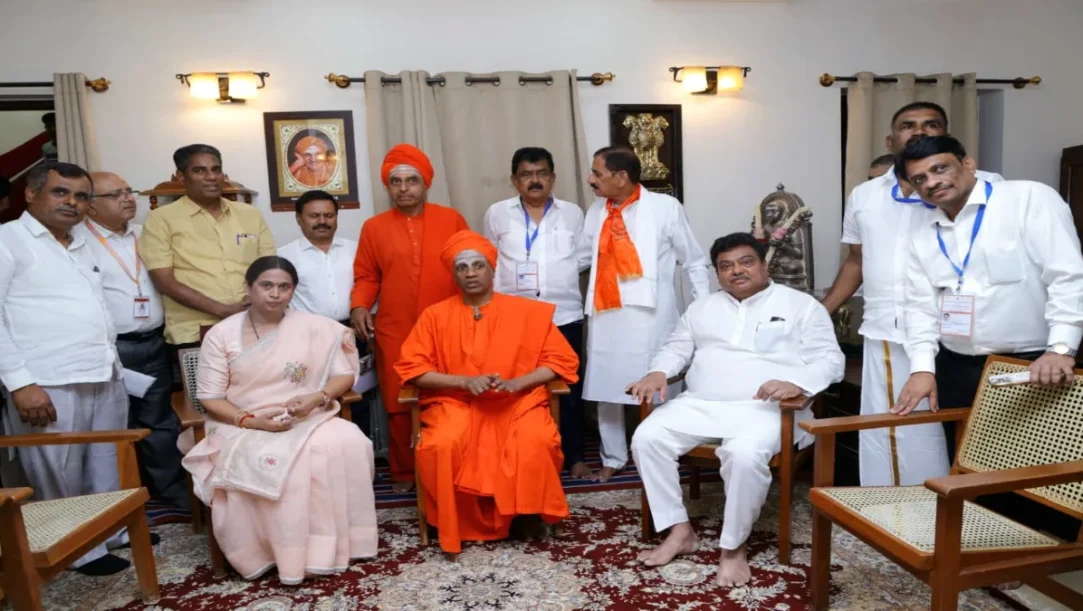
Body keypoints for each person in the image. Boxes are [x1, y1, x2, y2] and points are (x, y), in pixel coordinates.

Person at [629, 232, 844, 588]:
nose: (736, 271)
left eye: (746, 262)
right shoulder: (702, 307)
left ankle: (733, 547)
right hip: (702, 403)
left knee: (743, 454)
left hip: (768, 410)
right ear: (717, 273)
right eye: (725, 266)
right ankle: (679, 530)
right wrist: (658, 371)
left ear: (763, 264)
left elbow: (830, 360)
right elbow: (676, 348)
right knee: (647, 437)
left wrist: (801, 384)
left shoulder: (801, 305)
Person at [821, 102, 1002, 487]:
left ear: (948, 135)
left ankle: (955, 519)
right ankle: (887, 514)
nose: (919, 131)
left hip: (962, 334)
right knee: (889, 427)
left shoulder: (984, 184)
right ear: (892, 138)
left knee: (959, 430)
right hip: (889, 329)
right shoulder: (865, 195)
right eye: (908, 125)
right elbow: (856, 259)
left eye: (931, 125)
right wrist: (823, 311)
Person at [182, 256, 378, 584]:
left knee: (349, 441)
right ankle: (273, 553)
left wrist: (318, 397)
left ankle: (331, 548)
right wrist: (252, 420)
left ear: (293, 291)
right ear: (249, 289)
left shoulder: (314, 326)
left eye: (284, 287)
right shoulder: (222, 334)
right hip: (240, 421)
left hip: (308, 414)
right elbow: (210, 399)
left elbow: (343, 374)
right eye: (266, 286)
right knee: (280, 462)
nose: (275, 294)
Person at [395, 230, 579, 554]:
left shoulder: (526, 312)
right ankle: (460, 525)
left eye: (477, 265)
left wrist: (517, 383)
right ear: (453, 274)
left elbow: (561, 360)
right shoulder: (434, 316)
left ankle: (524, 514)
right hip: (455, 403)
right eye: (462, 267)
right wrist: (462, 382)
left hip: (517, 402)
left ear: (492, 270)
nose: (470, 273)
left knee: (535, 439)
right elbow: (414, 369)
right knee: (443, 443)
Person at [893, 135, 1083, 446]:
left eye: (940, 168)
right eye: (920, 179)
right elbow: (919, 307)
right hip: (954, 366)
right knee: (967, 469)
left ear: (968, 164)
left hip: (1031, 365)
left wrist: (1061, 349)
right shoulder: (922, 232)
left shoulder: (1027, 198)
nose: (932, 182)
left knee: (1030, 475)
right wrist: (922, 369)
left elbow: (1067, 276)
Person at [0, 162, 136, 575]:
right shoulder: (8, 241)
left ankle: (108, 531)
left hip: (101, 371)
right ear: (31, 194)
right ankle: (73, 549)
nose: (72, 203)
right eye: (61, 193)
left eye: (80, 196)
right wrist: (21, 384)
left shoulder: (80, 243)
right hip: (47, 380)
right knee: (57, 469)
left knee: (104, 460)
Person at [579, 146, 711, 482]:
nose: (591, 179)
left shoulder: (666, 207)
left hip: (652, 315)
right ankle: (613, 456)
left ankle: (662, 451)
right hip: (607, 312)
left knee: (659, 383)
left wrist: (705, 308)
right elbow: (582, 256)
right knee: (606, 386)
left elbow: (693, 260)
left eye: (598, 173)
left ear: (621, 177)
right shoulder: (596, 210)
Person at [350, 143, 469, 493]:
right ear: (388, 186)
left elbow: (471, 265)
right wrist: (359, 306)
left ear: (425, 184)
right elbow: (367, 275)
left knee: (451, 395)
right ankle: (404, 472)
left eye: (411, 180)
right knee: (399, 401)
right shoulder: (374, 228)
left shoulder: (451, 219)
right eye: (396, 181)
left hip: (447, 323)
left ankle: (455, 460)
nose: (404, 188)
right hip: (395, 327)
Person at [74, 172, 187, 510]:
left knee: (160, 421)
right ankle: (123, 502)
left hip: (153, 342)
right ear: (91, 206)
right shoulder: (78, 242)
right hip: (109, 349)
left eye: (129, 191)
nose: (127, 199)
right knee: (114, 428)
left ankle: (171, 492)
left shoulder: (145, 234)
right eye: (115, 194)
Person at [483, 146, 591, 479]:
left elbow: (586, 257)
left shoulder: (572, 213)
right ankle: (516, 453)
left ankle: (574, 456)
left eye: (541, 173)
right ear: (514, 180)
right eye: (527, 175)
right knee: (516, 387)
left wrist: (559, 275)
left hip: (564, 314)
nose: (535, 180)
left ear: (553, 177)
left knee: (568, 389)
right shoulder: (497, 214)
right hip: (513, 316)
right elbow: (490, 259)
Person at [139, 144, 276, 348]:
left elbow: (269, 266)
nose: (211, 177)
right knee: (207, 381)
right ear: (181, 176)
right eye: (199, 170)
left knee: (264, 380)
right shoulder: (161, 219)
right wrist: (222, 310)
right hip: (195, 331)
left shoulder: (250, 214)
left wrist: (257, 304)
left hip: (252, 322)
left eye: (216, 169)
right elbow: (164, 281)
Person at [277, 190, 358, 323]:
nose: (322, 221)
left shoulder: (355, 249)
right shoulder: (284, 256)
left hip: (353, 329)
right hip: (307, 332)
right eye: (314, 216)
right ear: (299, 218)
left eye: (329, 215)